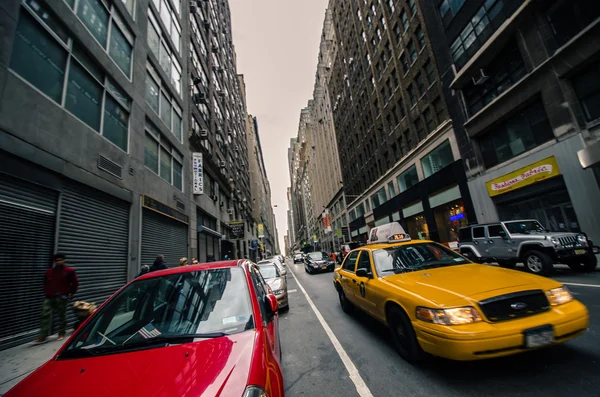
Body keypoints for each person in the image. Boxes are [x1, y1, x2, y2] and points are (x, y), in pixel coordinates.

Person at [35, 253, 79, 343]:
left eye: (60, 260)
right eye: (57, 260)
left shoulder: (69, 271)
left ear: (63, 260)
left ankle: (61, 333)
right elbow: (45, 283)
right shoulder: (49, 272)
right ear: (54, 261)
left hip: (62, 296)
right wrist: (47, 291)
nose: (59, 262)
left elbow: (75, 283)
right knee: (44, 314)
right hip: (50, 295)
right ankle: (43, 335)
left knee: (62, 315)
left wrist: (71, 293)